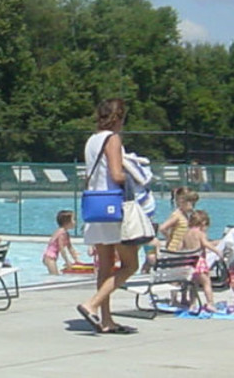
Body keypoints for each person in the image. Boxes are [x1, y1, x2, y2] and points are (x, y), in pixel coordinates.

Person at [76, 98, 143, 335]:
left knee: (105, 267)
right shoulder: (112, 139)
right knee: (130, 264)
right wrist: (136, 176)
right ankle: (91, 304)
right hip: (113, 208)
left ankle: (106, 320)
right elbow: (116, 174)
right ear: (120, 118)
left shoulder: (91, 140)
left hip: (96, 208)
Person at [180, 210, 222, 313]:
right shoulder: (200, 233)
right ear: (203, 223)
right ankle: (210, 303)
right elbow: (205, 244)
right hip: (199, 262)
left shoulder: (186, 233)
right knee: (206, 283)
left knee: (193, 285)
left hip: (188, 262)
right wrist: (216, 250)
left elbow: (180, 247)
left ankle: (192, 304)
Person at [160, 187, 198, 251]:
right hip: (174, 249)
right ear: (183, 202)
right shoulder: (177, 215)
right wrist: (169, 238)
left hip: (181, 249)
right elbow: (162, 228)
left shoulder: (185, 215)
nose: (193, 206)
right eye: (192, 203)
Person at [44, 210, 81, 275]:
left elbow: (70, 248)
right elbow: (62, 249)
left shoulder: (66, 233)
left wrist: (77, 260)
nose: (75, 222)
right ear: (66, 222)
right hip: (49, 258)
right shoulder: (61, 233)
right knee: (54, 276)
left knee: (55, 275)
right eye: (73, 219)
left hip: (51, 257)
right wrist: (67, 262)